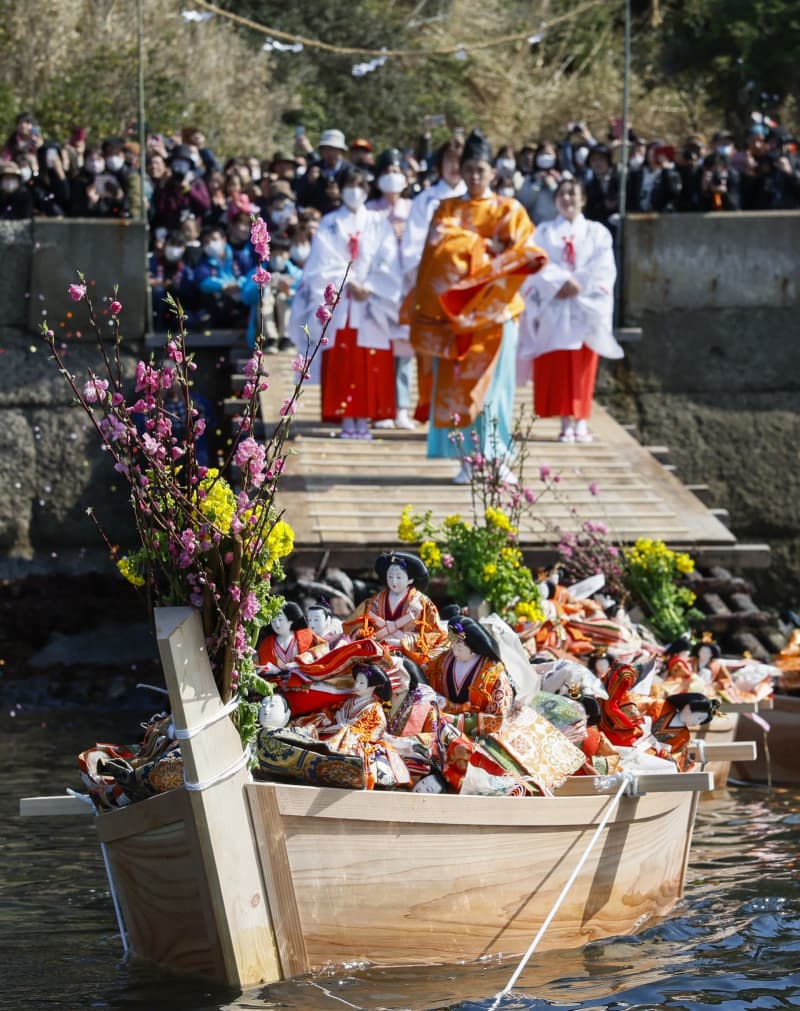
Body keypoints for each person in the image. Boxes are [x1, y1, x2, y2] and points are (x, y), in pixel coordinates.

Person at [407, 128, 547, 483]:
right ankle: (468, 459)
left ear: (493, 174)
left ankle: (498, 457)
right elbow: (440, 249)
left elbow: (525, 251)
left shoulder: (509, 208)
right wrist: (487, 247)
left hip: (496, 312)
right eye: (468, 168)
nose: (473, 176)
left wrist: (478, 250)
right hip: (456, 313)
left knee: (496, 389)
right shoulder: (448, 207)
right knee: (458, 386)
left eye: (480, 170)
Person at [517, 177, 623, 443]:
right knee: (558, 362)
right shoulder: (542, 232)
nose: (568, 199)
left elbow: (603, 265)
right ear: (555, 200)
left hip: (584, 304)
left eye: (573, 194)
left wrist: (579, 283)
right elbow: (534, 261)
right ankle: (565, 421)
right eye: (562, 194)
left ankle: (582, 421)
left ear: (583, 199)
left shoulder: (597, 232)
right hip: (554, 305)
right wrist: (559, 282)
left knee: (584, 364)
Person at [300, 165, 400, 438]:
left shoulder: (379, 223)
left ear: (367, 189)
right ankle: (346, 418)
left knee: (370, 360)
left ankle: (365, 418)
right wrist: (347, 282)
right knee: (344, 358)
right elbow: (322, 262)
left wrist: (369, 285)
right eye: (349, 185)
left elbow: (389, 259)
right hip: (342, 301)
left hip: (371, 300)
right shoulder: (330, 223)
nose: (354, 191)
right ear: (340, 189)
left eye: (360, 185)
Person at [400, 137, 466, 423]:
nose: (455, 167)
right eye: (449, 160)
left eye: (460, 161)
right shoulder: (425, 200)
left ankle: (462, 413)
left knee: (465, 352)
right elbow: (412, 247)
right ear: (439, 165)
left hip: (467, 291)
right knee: (430, 353)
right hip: (431, 289)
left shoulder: (476, 200)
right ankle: (432, 410)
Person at [367, 147, 416, 430]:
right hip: (377, 290)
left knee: (404, 351)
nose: (392, 177)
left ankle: (402, 407)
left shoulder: (412, 210)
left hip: (407, 288)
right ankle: (381, 407)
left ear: (406, 178)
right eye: (386, 172)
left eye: (397, 171)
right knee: (379, 350)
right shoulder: (371, 211)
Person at [343, 551, 445, 657]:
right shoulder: (374, 601)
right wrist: (362, 634)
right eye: (390, 577)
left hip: (409, 654)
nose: (394, 582)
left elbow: (435, 634)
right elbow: (353, 626)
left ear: (410, 580)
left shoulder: (423, 604)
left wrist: (405, 641)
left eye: (399, 577)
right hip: (376, 650)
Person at [424, 615, 513, 719]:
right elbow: (426, 684)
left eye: (460, 648)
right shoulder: (441, 661)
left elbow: (497, 717)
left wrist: (460, 722)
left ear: (475, 647)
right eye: (453, 645)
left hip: (476, 729)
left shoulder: (494, 672)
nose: (455, 651)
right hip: (440, 720)